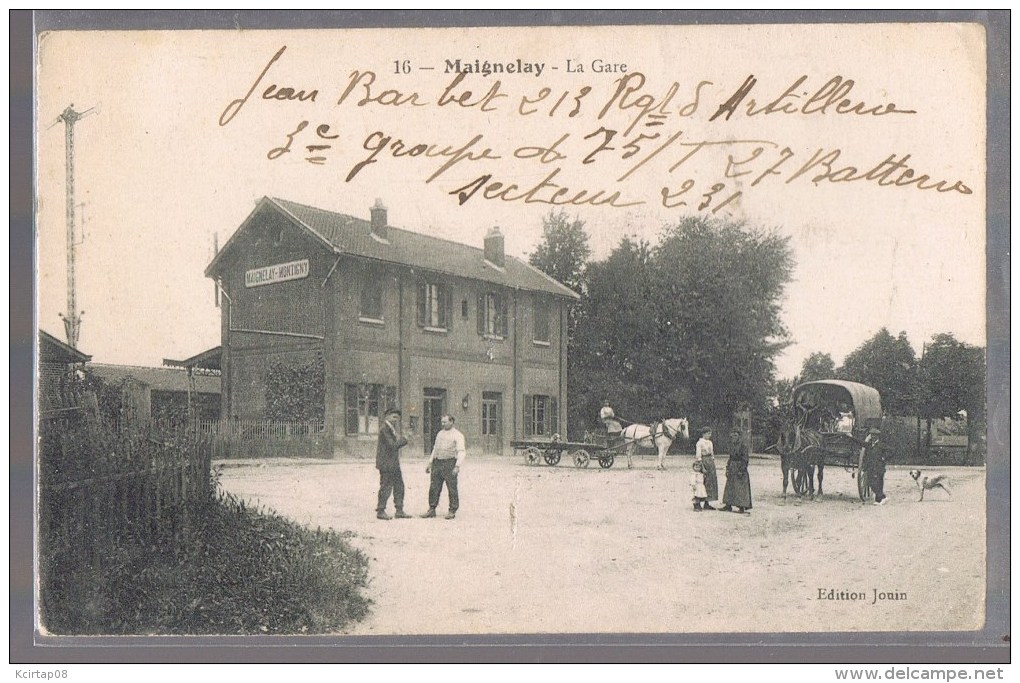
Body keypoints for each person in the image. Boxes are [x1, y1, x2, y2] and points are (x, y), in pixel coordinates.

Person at [422, 414, 466, 520]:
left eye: (445, 422)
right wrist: (430, 462)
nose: (443, 424)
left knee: (452, 487)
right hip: (437, 462)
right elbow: (435, 449)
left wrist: (457, 466)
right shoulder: (439, 434)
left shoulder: (458, 435)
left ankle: (452, 510)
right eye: (442, 422)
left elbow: (461, 451)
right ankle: (432, 509)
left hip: (449, 463)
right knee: (434, 487)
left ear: (451, 422)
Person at [375, 408, 410, 520]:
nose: (396, 420)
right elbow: (392, 445)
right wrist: (404, 439)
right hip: (386, 464)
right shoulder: (384, 429)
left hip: (393, 463)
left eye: (397, 418)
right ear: (387, 416)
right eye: (394, 417)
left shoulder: (391, 428)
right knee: (386, 486)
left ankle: (399, 510)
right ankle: (380, 511)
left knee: (399, 486)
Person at [720, 428, 752, 514]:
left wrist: (742, 469)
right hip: (732, 466)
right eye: (732, 434)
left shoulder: (743, 445)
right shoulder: (732, 445)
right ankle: (728, 505)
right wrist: (727, 468)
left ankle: (741, 507)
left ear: (739, 436)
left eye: (736, 434)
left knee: (740, 487)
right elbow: (730, 457)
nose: (734, 436)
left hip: (739, 466)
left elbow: (745, 459)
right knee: (730, 486)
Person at [694, 427, 719, 509]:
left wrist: (712, 462)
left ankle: (706, 503)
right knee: (702, 482)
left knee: (710, 482)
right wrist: (702, 467)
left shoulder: (710, 442)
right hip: (703, 461)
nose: (709, 435)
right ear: (703, 433)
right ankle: (697, 503)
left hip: (710, 462)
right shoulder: (700, 443)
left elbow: (712, 453)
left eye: (710, 433)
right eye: (708, 433)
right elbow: (698, 455)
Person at [863, 428, 888, 505]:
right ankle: (881, 498)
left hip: (878, 467)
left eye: (874, 435)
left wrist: (884, 458)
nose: (872, 437)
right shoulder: (869, 445)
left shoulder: (881, 445)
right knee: (871, 482)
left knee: (877, 482)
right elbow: (860, 443)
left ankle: (880, 499)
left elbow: (891, 451)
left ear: (877, 436)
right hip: (870, 467)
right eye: (871, 435)